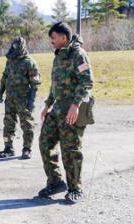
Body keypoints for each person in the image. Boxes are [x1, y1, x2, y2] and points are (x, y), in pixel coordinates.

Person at [38, 22, 93, 204]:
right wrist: (47, 105)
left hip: (74, 111)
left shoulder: (78, 54)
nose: (51, 41)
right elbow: (55, 85)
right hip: (58, 109)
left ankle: (75, 188)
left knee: (71, 150)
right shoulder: (58, 56)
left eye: (53, 38)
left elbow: (86, 82)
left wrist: (76, 105)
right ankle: (55, 182)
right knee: (45, 143)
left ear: (64, 37)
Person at [0, 37, 41, 160]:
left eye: (17, 45)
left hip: (24, 100)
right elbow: (4, 77)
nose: (14, 47)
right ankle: (8, 148)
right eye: (13, 45)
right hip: (10, 99)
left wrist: (31, 102)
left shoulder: (29, 62)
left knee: (27, 125)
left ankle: (27, 149)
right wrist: (1, 92)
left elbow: (35, 84)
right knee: (8, 125)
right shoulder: (10, 61)